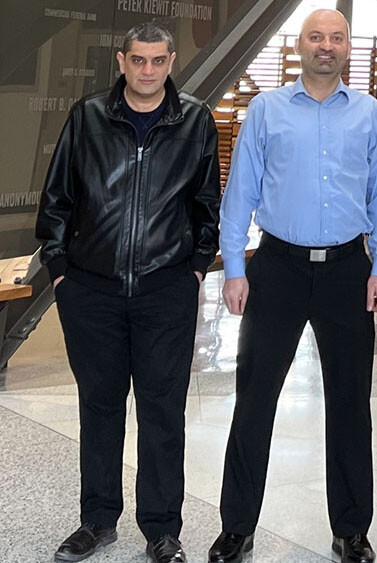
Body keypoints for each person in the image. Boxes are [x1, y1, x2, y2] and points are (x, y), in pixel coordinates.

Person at [209, 9, 377, 563]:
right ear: (298, 46)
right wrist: (236, 270)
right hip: (277, 269)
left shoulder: (367, 114)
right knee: (255, 400)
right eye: (316, 37)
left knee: (349, 404)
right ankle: (236, 527)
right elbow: (238, 192)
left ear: (347, 49)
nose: (326, 46)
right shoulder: (266, 110)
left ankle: (352, 530)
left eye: (336, 38)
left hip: (347, 271)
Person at [35, 21, 220, 563]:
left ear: (170, 63)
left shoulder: (195, 120)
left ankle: (162, 529)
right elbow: (57, 200)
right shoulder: (88, 117)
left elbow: (206, 203)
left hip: (166, 290)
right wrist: (61, 269)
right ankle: (97, 521)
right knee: (100, 406)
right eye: (137, 60)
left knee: (163, 410)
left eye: (158, 61)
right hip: (91, 290)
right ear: (121, 62)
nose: (147, 71)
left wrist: (196, 267)